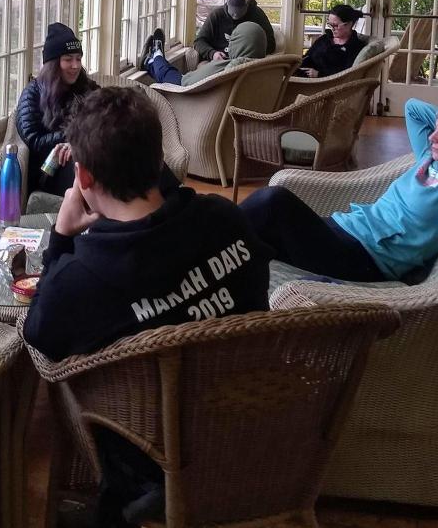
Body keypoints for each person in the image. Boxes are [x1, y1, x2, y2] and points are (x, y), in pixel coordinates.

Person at [22, 86, 272, 526]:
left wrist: (62, 239)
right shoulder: (226, 221)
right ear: (158, 161)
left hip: (150, 466)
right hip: (250, 428)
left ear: (82, 179)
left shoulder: (82, 281)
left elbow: (39, 335)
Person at [239, 99, 438, 282]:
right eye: (435, 130)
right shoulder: (428, 157)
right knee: (251, 242)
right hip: (343, 229)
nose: (432, 137)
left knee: (273, 201)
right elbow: (412, 107)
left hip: (365, 258)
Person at [15, 22, 98, 194]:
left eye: (78, 58)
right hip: (52, 168)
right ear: (53, 63)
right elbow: (34, 140)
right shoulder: (33, 94)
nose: (75, 65)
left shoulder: (87, 87)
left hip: (87, 155)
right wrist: (72, 137)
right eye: (68, 59)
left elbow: (106, 118)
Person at [138, 21, 268, 86]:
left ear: (239, 43)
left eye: (233, 41)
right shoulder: (264, 69)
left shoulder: (231, 70)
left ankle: (156, 53)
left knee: (167, 72)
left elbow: (187, 82)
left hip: (184, 94)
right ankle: (149, 62)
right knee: (172, 72)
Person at [193, 0, 277, 63]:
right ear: (228, 3)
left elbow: (271, 43)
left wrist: (250, 54)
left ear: (247, 5)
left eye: (239, 11)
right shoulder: (217, 15)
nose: (235, 14)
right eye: (232, 11)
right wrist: (212, 53)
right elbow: (199, 41)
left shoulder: (257, 15)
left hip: (248, 62)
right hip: (219, 60)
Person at [298, 3, 368, 78]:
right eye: (330, 25)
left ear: (349, 24)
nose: (332, 29)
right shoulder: (325, 38)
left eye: (335, 25)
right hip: (304, 78)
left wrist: (319, 74)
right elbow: (308, 56)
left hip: (326, 84)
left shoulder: (355, 46)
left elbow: (346, 73)